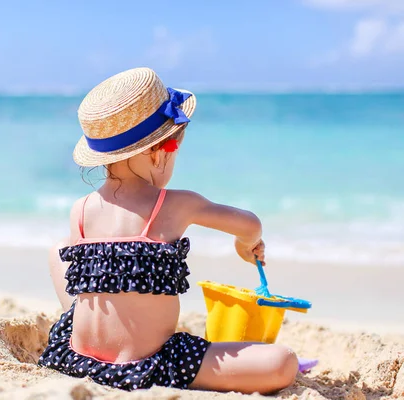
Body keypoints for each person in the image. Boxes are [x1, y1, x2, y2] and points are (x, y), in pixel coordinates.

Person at [38, 67, 298, 394]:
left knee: (60, 250)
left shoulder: (81, 208)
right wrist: (246, 244)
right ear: (156, 150)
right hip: (150, 364)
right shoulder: (176, 204)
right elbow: (250, 224)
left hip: (75, 358)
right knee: (283, 362)